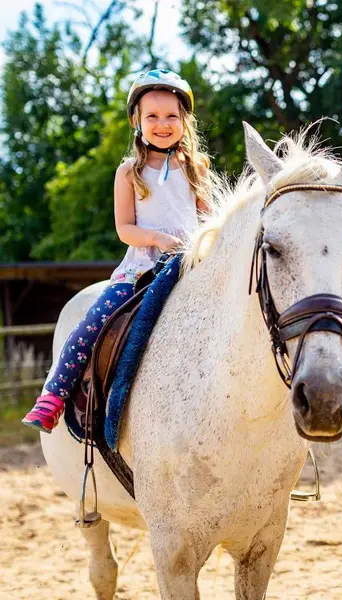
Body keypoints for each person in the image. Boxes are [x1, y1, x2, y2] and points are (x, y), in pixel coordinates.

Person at [22, 69, 212, 433]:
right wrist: (159, 239)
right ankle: (53, 396)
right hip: (143, 267)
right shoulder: (129, 172)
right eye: (152, 116)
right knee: (94, 322)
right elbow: (125, 229)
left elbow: (209, 219)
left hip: (189, 264)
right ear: (137, 121)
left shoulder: (197, 169)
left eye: (171, 116)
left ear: (185, 121)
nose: (162, 124)